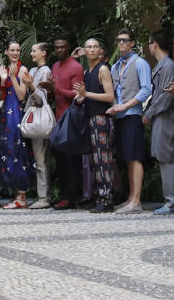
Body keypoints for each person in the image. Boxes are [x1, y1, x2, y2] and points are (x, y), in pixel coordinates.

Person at [108, 27, 153, 214]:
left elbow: (146, 90)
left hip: (132, 114)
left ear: (132, 43)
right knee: (127, 157)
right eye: (118, 40)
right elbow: (113, 91)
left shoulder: (140, 63)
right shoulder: (115, 66)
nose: (121, 43)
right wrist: (114, 105)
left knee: (135, 157)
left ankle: (136, 200)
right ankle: (130, 198)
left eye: (125, 40)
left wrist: (125, 106)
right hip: (119, 116)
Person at [73, 39, 116, 213]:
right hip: (90, 118)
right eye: (89, 47)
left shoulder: (103, 69)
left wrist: (87, 94)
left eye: (95, 47)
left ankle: (106, 199)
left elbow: (109, 96)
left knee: (103, 160)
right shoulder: (87, 70)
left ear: (100, 50)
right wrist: (82, 97)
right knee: (95, 161)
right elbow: (89, 94)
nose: (92, 50)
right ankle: (100, 196)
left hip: (101, 118)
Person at [143, 31, 174, 214]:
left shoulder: (168, 66)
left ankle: (172, 201)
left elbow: (167, 97)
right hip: (160, 116)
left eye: (149, 43)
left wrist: (150, 112)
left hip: (166, 117)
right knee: (163, 155)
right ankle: (169, 199)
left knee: (167, 156)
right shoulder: (162, 65)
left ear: (155, 44)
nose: (149, 47)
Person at [51, 35, 85, 210]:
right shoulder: (55, 66)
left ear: (68, 47)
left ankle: (71, 197)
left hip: (70, 118)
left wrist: (56, 89)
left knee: (70, 160)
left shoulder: (76, 67)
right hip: (58, 117)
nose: (59, 50)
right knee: (61, 160)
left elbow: (77, 94)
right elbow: (55, 93)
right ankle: (65, 195)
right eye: (56, 47)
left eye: (62, 47)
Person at [0, 41, 32, 209]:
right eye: (12, 50)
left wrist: (12, 77)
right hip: (6, 112)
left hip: (17, 113)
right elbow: (0, 93)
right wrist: (4, 80)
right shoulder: (4, 68)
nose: (15, 52)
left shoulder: (23, 69)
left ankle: (22, 196)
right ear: (6, 52)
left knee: (19, 150)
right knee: (8, 149)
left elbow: (21, 95)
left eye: (18, 50)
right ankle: (17, 194)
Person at [21, 42, 54, 208]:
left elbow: (42, 99)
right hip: (31, 116)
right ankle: (40, 194)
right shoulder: (33, 70)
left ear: (44, 53)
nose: (32, 53)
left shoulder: (46, 71)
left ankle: (44, 198)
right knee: (36, 158)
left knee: (42, 159)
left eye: (35, 51)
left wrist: (30, 84)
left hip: (40, 117)